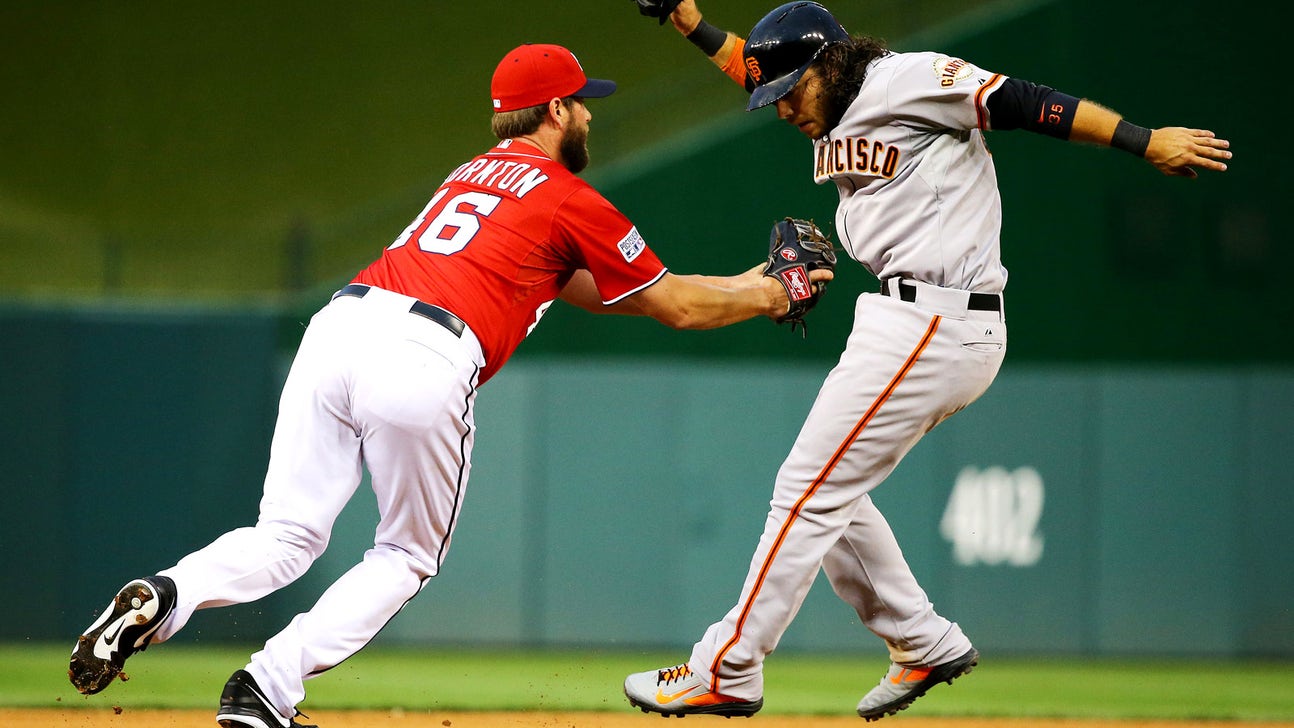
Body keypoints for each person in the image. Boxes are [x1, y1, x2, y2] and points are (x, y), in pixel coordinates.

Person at [67, 42, 831, 728]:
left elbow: (600, 288)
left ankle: (168, 594)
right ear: (558, 108)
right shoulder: (568, 198)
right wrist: (780, 293)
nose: (589, 118)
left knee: (288, 533)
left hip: (341, 324)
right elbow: (679, 308)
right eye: (583, 104)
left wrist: (758, 279)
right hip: (424, 353)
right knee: (404, 555)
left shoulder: (470, 175)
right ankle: (268, 684)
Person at [623, 0, 1232, 721]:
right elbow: (754, 68)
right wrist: (690, 22)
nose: (780, 110)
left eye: (789, 93)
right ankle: (921, 640)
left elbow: (1022, 101)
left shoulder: (906, 81)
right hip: (905, 315)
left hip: (938, 313)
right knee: (830, 492)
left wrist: (1144, 139)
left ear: (828, 64)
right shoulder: (830, 99)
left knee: (806, 490)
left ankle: (728, 667)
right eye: (772, 98)